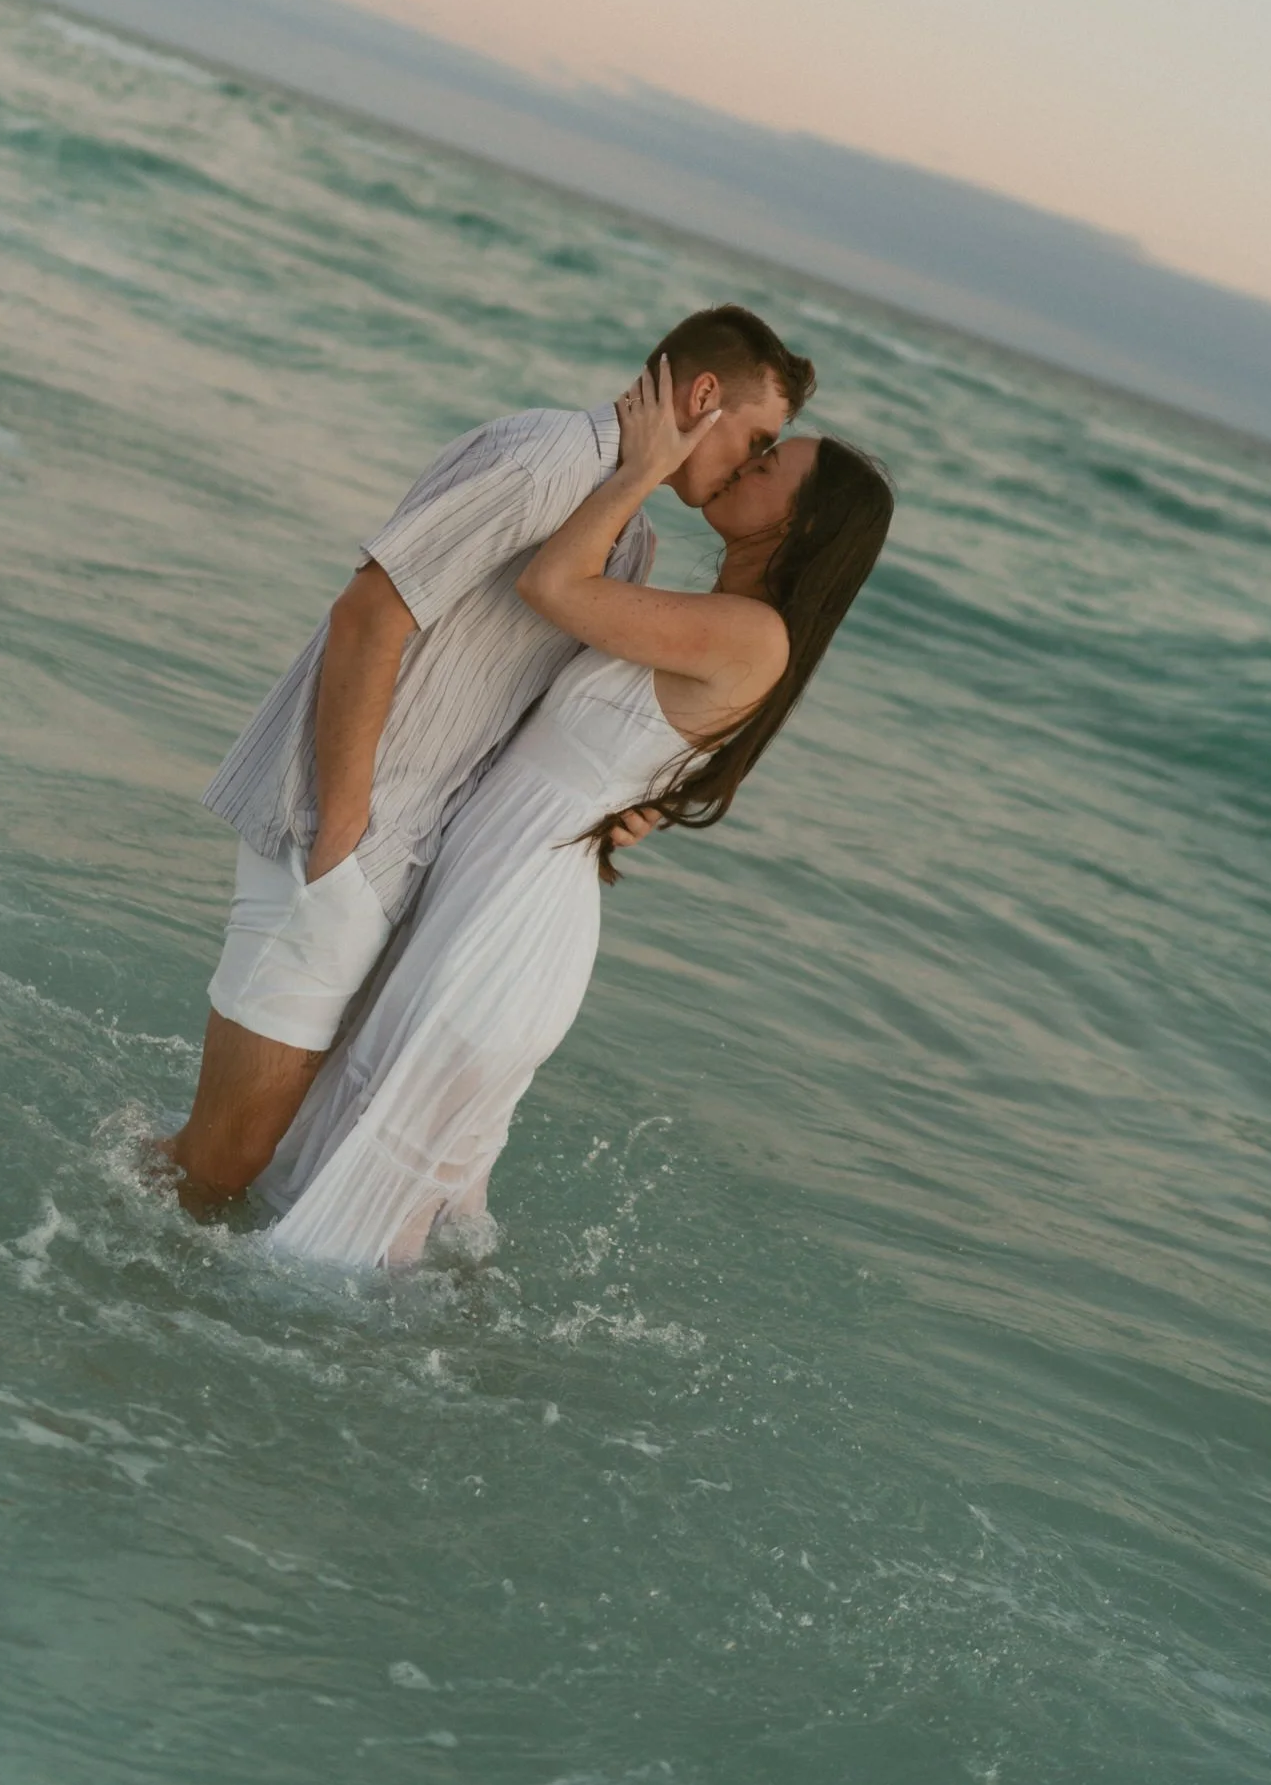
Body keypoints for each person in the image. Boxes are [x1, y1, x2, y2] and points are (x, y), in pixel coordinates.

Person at [162, 306, 815, 1213]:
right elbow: (370, 614)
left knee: (252, 1160)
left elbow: (562, 718)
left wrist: (638, 803)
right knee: (222, 1160)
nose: (750, 463)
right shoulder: (546, 460)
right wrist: (341, 831)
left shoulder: (625, 535)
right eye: (758, 438)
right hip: (342, 837)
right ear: (703, 395)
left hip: (406, 860)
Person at [254, 356, 893, 1267]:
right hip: (488, 892)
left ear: (801, 524)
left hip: (510, 926)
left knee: (361, 1237)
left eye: (765, 467)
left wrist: (637, 471)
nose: (744, 464)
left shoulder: (754, 636)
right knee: (361, 1208)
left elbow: (551, 589)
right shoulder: (709, 613)